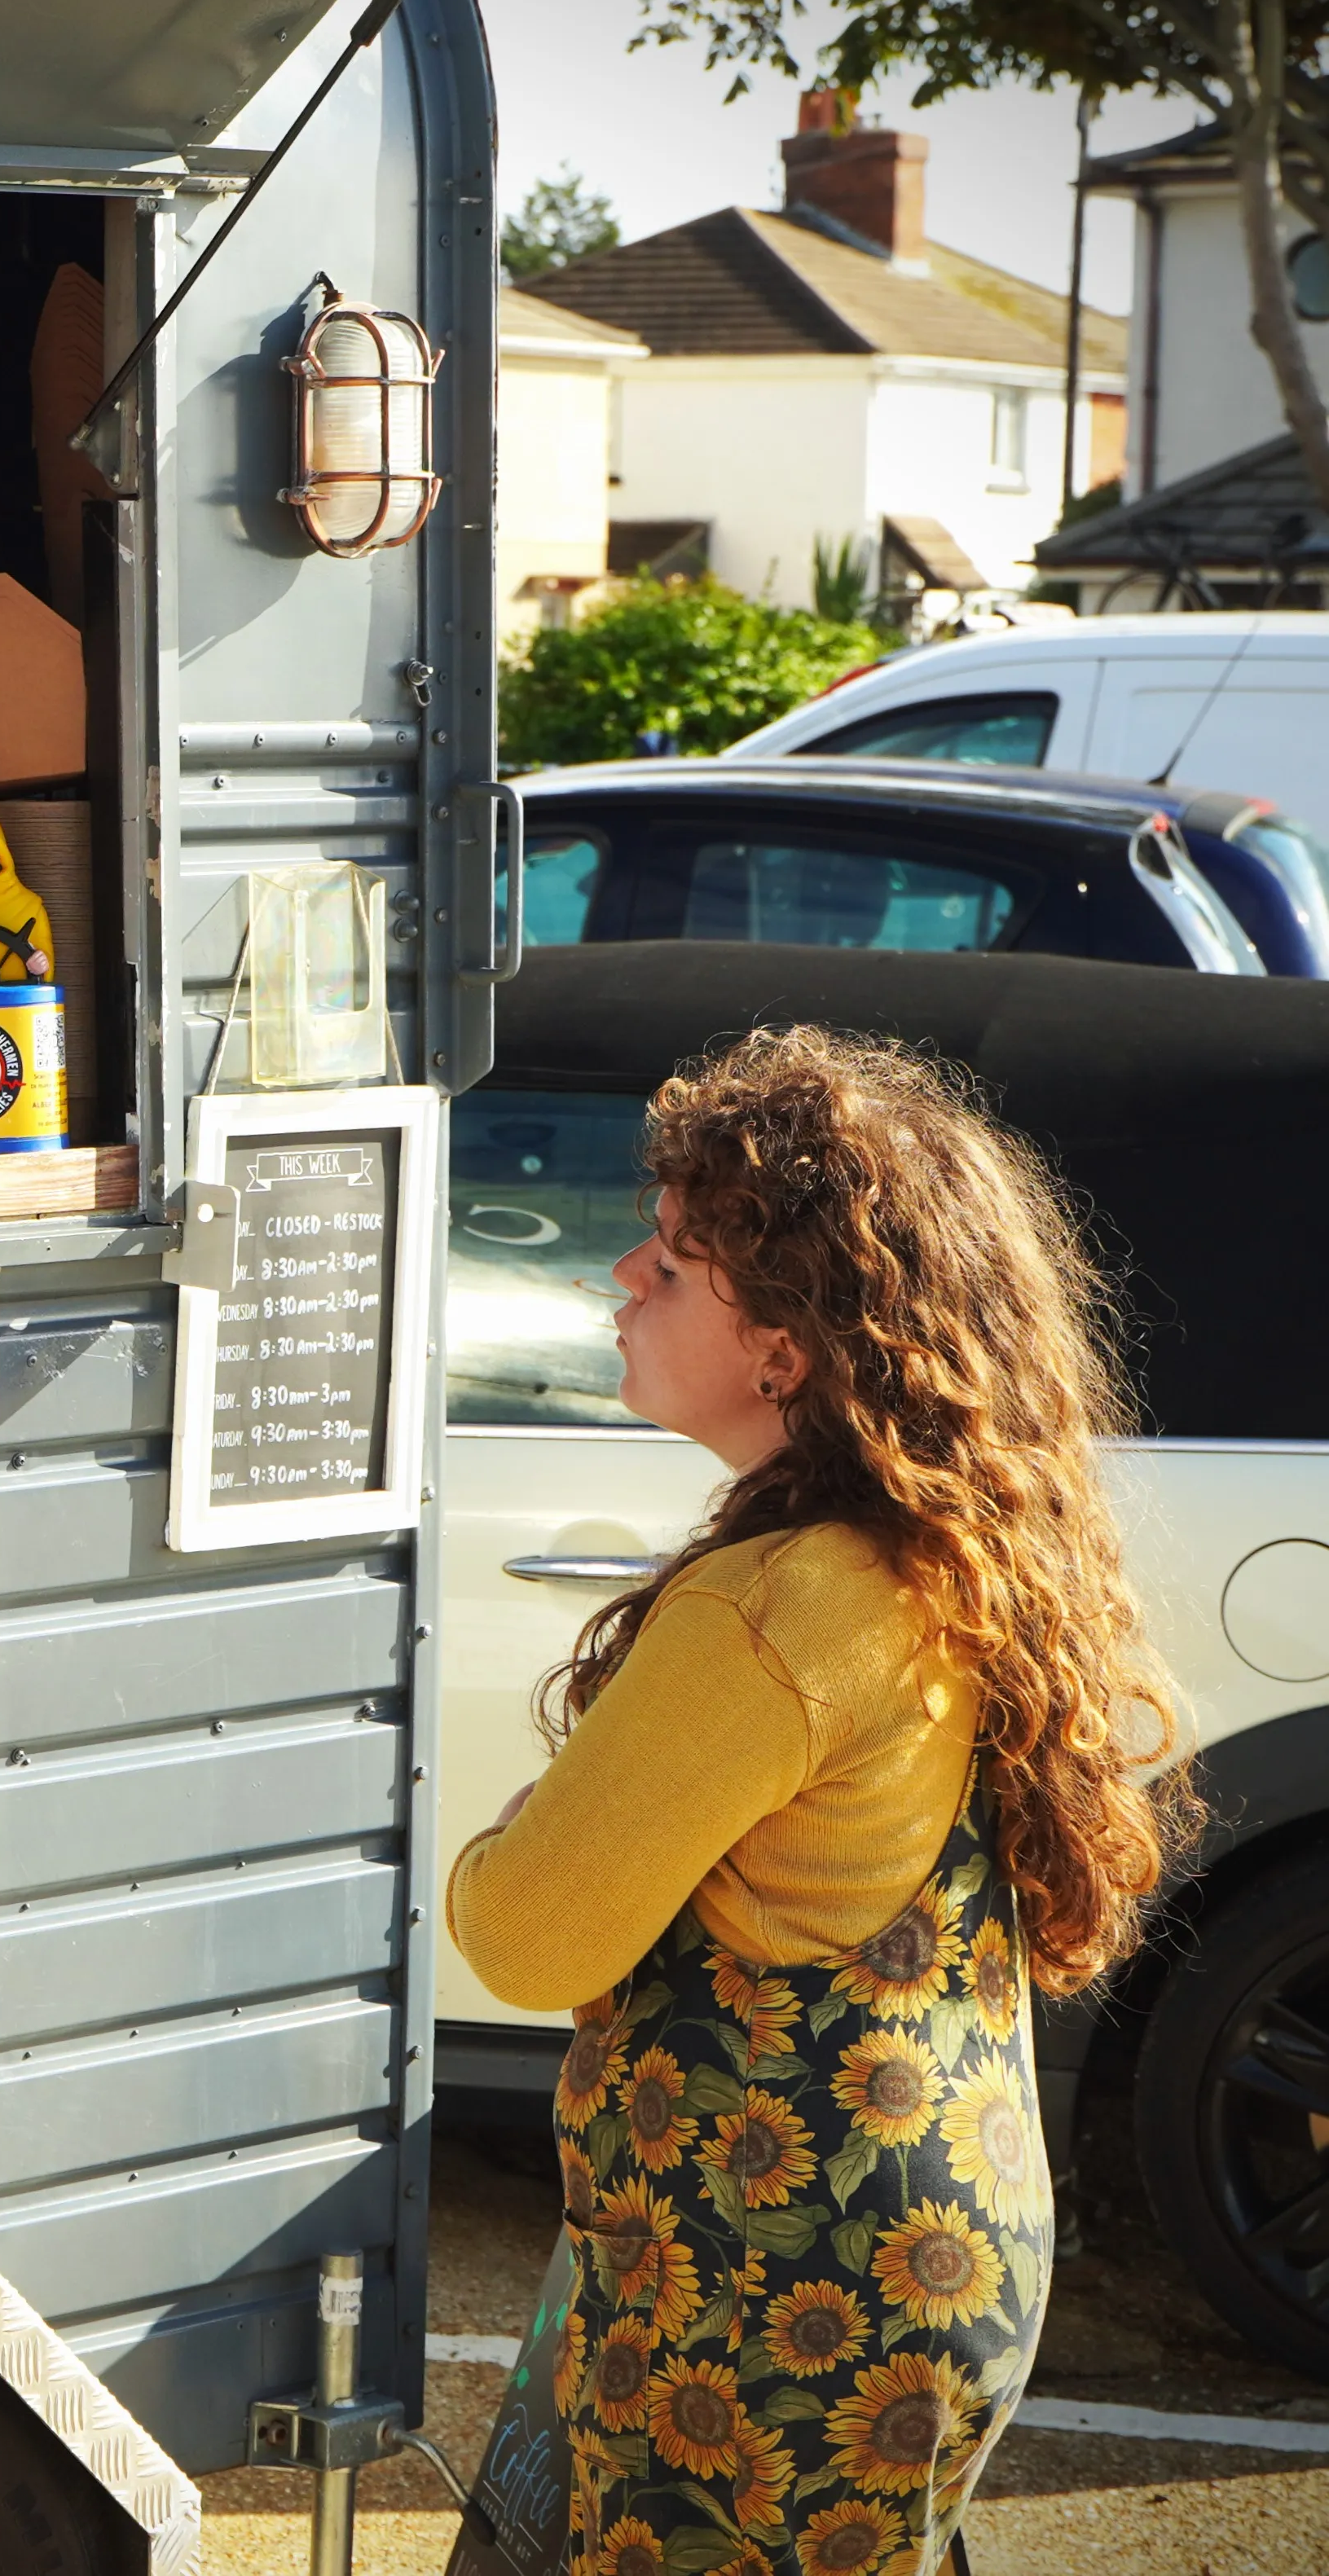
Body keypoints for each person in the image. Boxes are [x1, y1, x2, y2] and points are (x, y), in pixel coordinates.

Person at [441, 1028, 1186, 2576]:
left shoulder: (775, 1607)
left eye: (672, 1257)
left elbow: (523, 1930)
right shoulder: (939, 1546)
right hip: (929, 2268)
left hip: (776, 2302)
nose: (619, 1275)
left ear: (783, 1338)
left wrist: (515, 1834)